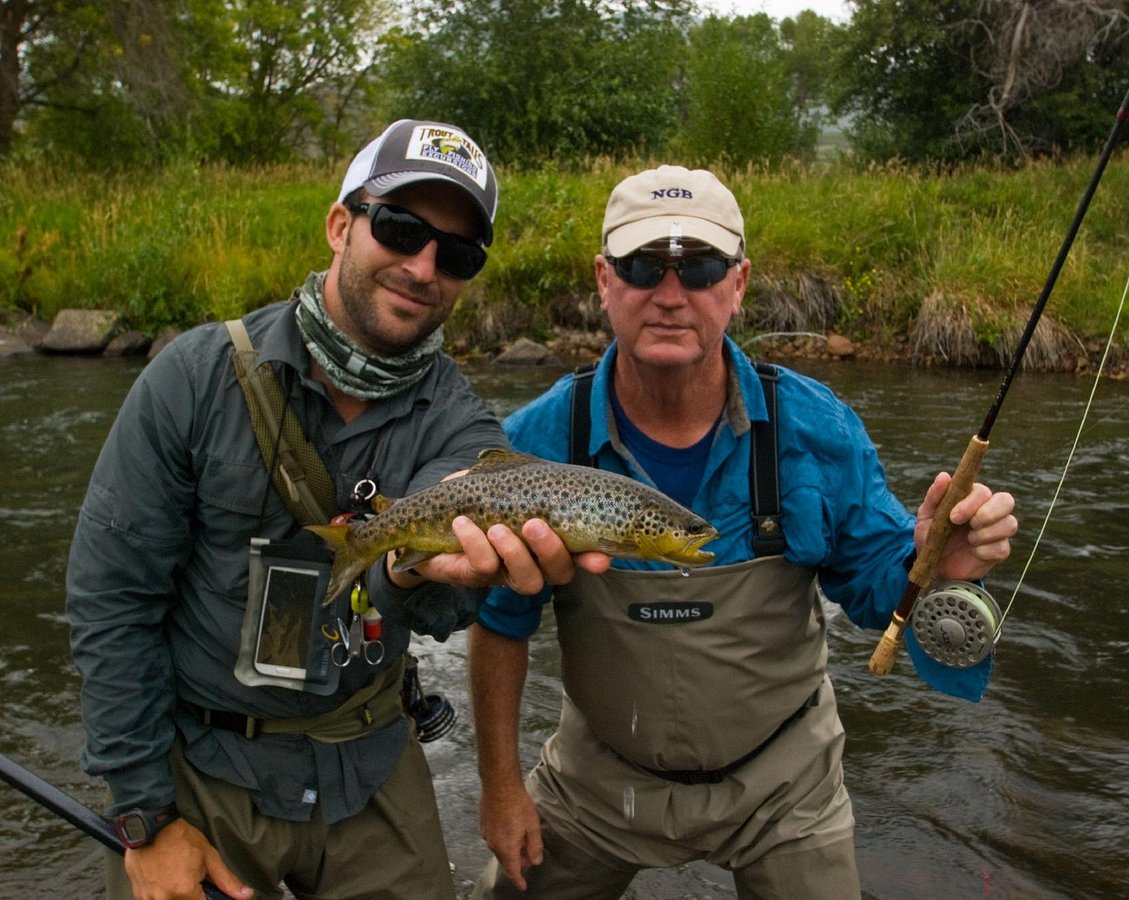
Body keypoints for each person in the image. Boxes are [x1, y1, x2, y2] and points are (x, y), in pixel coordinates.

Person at [65, 118, 601, 900]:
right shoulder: (192, 378)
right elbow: (111, 605)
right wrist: (144, 816)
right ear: (339, 225)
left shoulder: (464, 426)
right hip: (205, 768)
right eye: (399, 228)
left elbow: (444, 608)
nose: (423, 267)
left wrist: (416, 571)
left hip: (369, 760)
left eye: (456, 254)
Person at [468, 165, 1019, 899]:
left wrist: (932, 565)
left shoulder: (814, 430)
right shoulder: (538, 439)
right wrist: (500, 790)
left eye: (698, 268)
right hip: (595, 781)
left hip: (783, 787)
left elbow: (875, 589)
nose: (670, 295)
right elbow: (497, 624)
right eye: (641, 267)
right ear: (604, 281)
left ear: (738, 283)